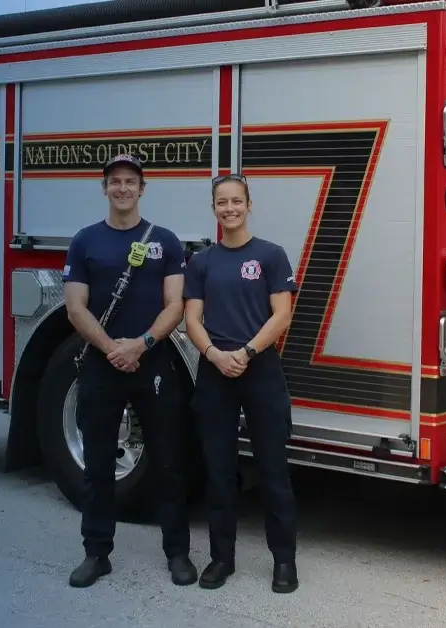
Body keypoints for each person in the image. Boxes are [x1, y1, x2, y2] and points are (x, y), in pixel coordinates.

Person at [63, 154, 196, 589]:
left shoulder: (166, 241)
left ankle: (177, 553)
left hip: (152, 363)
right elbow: (75, 307)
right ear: (104, 188)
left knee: (168, 464)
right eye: (115, 182)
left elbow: (175, 304)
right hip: (102, 366)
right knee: (98, 464)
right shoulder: (85, 242)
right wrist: (110, 349)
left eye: (130, 182)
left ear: (143, 188)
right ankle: (96, 553)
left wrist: (141, 344)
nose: (122, 188)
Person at [182, 173, 299, 594]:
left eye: (236, 201)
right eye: (221, 202)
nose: (229, 208)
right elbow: (191, 318)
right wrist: (214, 355)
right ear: (213, 208)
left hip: (260, 369)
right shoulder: (201, 263)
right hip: (216, 372)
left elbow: (281, 315)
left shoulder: (271, 256)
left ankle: (284, 562)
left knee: (272, 470)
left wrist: (247, 353)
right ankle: (221, 559)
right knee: (219, 471)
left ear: (250, 205)